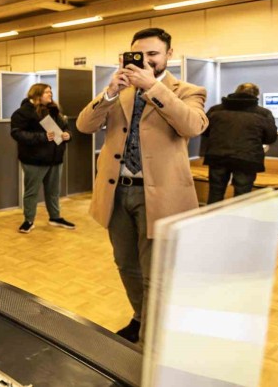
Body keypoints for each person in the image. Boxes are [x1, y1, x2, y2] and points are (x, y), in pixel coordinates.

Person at [76, 28, 208, 343]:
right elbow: (84, 125)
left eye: (153, 54)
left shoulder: (188, 90)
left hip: (160, 195)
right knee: (126, 264)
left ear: (169, 55)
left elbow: (193, 126)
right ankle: (141, 317)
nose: (146, 60)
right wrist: (110, 92)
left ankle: (152, 337)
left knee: (155, 273)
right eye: (139, 54)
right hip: (116, 191)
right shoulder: (119, 90)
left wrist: (153, 87)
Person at [11, 83, 76, 233]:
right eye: (47, 92)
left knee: (53, 191)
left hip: (55, 158)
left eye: (50, 92)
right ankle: (28, 220)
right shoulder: (23, 113)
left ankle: (55, 217)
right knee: (31, 192)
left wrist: (68, 135)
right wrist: (42, 137)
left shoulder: (54, 110)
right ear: (37, 94)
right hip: (34, 160)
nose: (50, 94)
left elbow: (65, 128)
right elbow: (17, 133)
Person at [203, 82, 277, 203]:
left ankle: (212, 215)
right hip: (247, 158)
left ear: (236, 91)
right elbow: (271, 138)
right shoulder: (263, 113)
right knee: (242, 197)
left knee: (215, 192)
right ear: (256, 95)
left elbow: (204, 131)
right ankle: (238, 216)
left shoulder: (215, 110)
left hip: (217, 156)